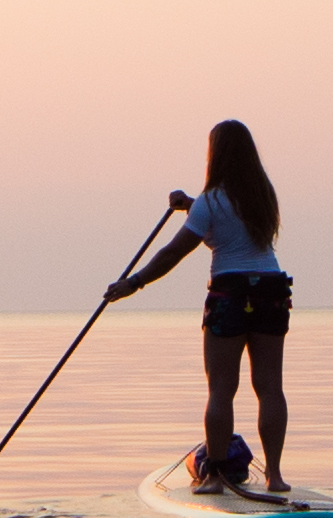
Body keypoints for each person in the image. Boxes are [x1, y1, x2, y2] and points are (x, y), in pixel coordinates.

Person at [108, 119, 293, 497]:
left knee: (221, 389)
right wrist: (189, 205)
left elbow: (175, 251)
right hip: (271, 291)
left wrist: (134, 283)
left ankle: (215, 478)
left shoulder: (211, 203)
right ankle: (275, 477)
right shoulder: (263, 196)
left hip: (229, 295)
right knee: (269, 387)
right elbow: (233, 226)